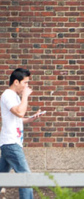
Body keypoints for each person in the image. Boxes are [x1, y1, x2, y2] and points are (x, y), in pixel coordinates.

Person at [2, 68, 42, 199]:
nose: (27, 86)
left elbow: (18, 118)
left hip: (11, 142)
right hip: (11, 143)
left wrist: (31, 118)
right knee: (25, 177)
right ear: (16, 82)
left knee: (1, 175)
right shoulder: (8, 95)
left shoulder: (13, 96)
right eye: (25, 83)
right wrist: (25, 96)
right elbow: (19, 112)